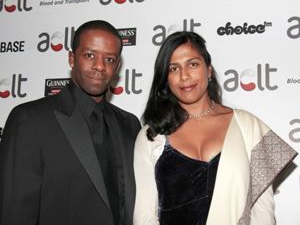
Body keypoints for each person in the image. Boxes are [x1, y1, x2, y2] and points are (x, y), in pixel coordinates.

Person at [133, 31, 297, 225]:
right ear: (166, 79)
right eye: (173, 69)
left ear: (208, 70)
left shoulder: (247, 126)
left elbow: (263, 212)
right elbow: (144, 218)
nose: (184, 76)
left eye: (192, 64)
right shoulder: (152, 135)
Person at [0, 20, 141, 225]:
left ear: (117, 66)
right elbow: (14, 212)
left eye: (109, 59)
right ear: (72, 58)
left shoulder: (130, 125)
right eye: (90, 55)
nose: (100, 66)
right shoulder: (30, 120)